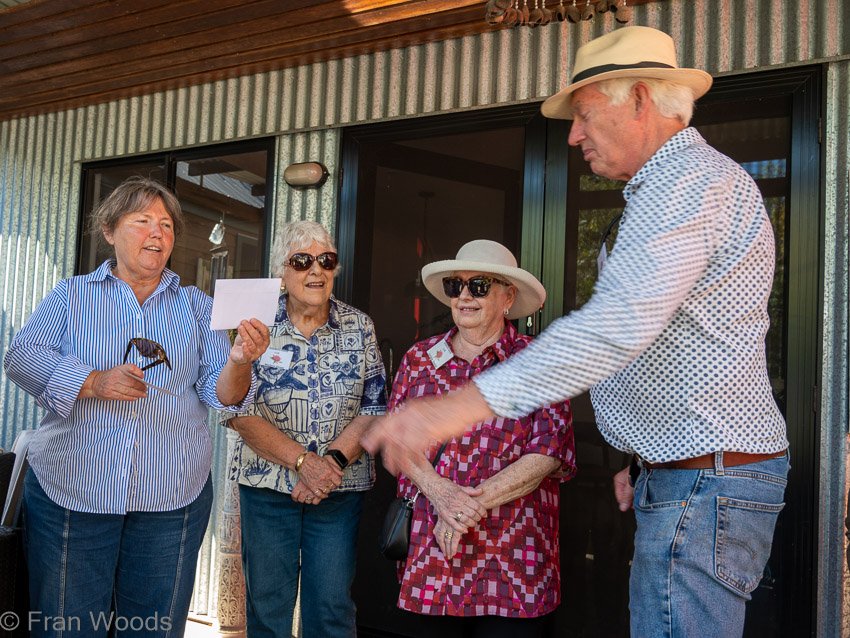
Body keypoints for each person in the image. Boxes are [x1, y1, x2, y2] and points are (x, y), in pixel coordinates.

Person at [364, 26, 789, 638]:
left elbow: (615, 326)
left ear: (640, 98)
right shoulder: (671, 188)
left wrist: (448, 411)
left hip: (703, 479)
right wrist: (642, 460)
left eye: (585, 114)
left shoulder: (687, 184)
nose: (573, 135)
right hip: (685, 473)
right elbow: (661, 336)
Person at [3, 176, 270, 638]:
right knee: (68, 626)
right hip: (74, 488)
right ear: (109, 230)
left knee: (154, 628)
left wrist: (240, 361)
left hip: (171, 497)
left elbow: (222, 394)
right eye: (143, 221)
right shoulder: (72, 295)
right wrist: (93, 381)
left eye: (166, 225)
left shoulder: (196, 306)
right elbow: (21, 357)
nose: (157, 233)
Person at [389, 240, 575, 638]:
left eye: (479, 286)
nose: (464, 296)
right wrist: (442, 493)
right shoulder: (419, 359)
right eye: (456, 286)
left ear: (508, 297)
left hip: (514, 564)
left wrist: (461, 508)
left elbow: (548, 453)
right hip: (434, 558)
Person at [224, 220, 387, 638]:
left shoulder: (359, 326)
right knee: (267, 609)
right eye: (302, 261)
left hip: (337, 490)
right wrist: (302, 463)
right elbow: (238, 410)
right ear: (282, 272)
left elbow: (374, 407)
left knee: (331, 609)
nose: (316, 270)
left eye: (326, 260)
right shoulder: (254, 324)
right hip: (267, 489)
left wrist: (329, 465)